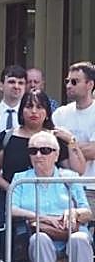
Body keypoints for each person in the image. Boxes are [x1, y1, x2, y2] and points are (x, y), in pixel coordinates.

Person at [10, 130, 95, 262]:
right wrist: (40, 216)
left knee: (81, 238)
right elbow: (11, 208)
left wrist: (73, 212)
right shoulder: (21, 178)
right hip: (40, 232)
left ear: (56, 155)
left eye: (45, 150)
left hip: (69, 232)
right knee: (40, 239)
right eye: (33, 151)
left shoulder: (69, 176)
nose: (38, 155)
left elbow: (87, 211)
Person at [52, 62, 95, 209]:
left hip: (91, 187)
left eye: (74, 82)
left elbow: (93, 151)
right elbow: (52, 148)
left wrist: (69, 142)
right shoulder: (60, 113)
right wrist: (76, 148)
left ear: (90, 84)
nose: (69, 85)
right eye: (67, 81)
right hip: (63, 187)